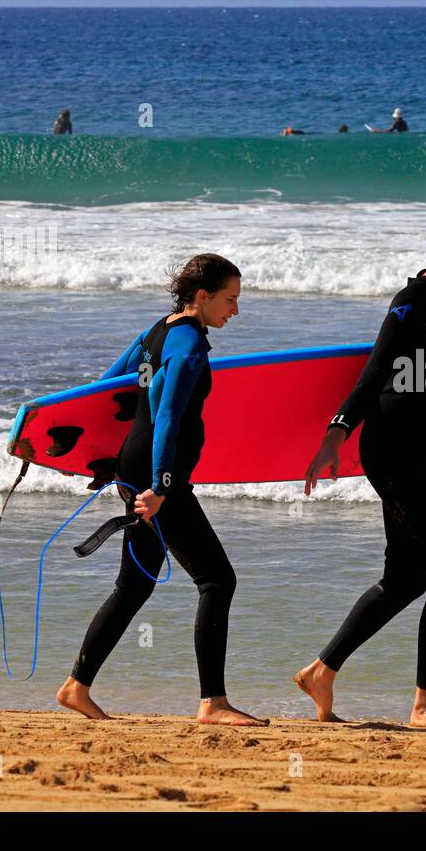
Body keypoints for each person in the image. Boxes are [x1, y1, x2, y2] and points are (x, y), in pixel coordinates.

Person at [56, 253, 268, 727]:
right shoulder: (190, 346)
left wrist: (100, 458)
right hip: (157, 476)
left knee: (134, 585)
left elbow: (107, 387)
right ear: (202, 297)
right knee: (217, 580)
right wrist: (161, 487)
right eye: (230, 300)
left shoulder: (158, 330)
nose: (235, 310)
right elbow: (169, 416)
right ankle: (212, 702)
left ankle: (76, 686)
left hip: (135, 466)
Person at [295, 211, 426, 730]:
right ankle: (424, 702)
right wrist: (337, 431)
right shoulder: (411, 300)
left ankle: (320, 671)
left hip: (416, 453)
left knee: (405, 580)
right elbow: (375, 368)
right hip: (394, 453)